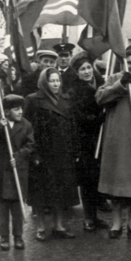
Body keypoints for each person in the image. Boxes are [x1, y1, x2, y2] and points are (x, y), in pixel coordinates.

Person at [96, 43, 131, 239]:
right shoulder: (113, 79)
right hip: (116, 141)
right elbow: (100, 98)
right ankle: (117, 222)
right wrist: (120, 85)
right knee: (116, 187)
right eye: (130, 62)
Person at [25, 68, 79, 241]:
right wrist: (33, 154)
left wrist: (75, 149)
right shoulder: (34, 100)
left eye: (58, 81)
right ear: (44, 82)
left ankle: (59, 225)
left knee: (60, 191)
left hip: (63, 153)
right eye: (52, 81)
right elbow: (28, 129)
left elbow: (73, 126)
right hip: (42, 154)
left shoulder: (66, 99)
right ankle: (41, 226)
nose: (56, 84)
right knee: (41, 192)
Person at [0, 94, 35, 251]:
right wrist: (0, 127)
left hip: (17, 171)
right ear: (6, 111)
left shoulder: (26, 125)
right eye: (16, 109)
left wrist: (19, 156)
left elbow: (31, 145)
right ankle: (4, 237)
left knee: (17, 206)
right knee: (3, 208)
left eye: (21, 108)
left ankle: (18, 236)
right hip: (1, 172)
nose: (20, 112)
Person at [67, 51, 108, 232]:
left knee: (97, 178)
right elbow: (80, 117)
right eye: (82, 69)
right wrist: (100, 117)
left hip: (101, 140)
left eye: (88, 68)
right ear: (77, 73)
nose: (86, 72)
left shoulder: (101, 84)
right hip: (84, 142)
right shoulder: (74, 91)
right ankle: (89, 218)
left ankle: (96, 215)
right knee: (87, 180)